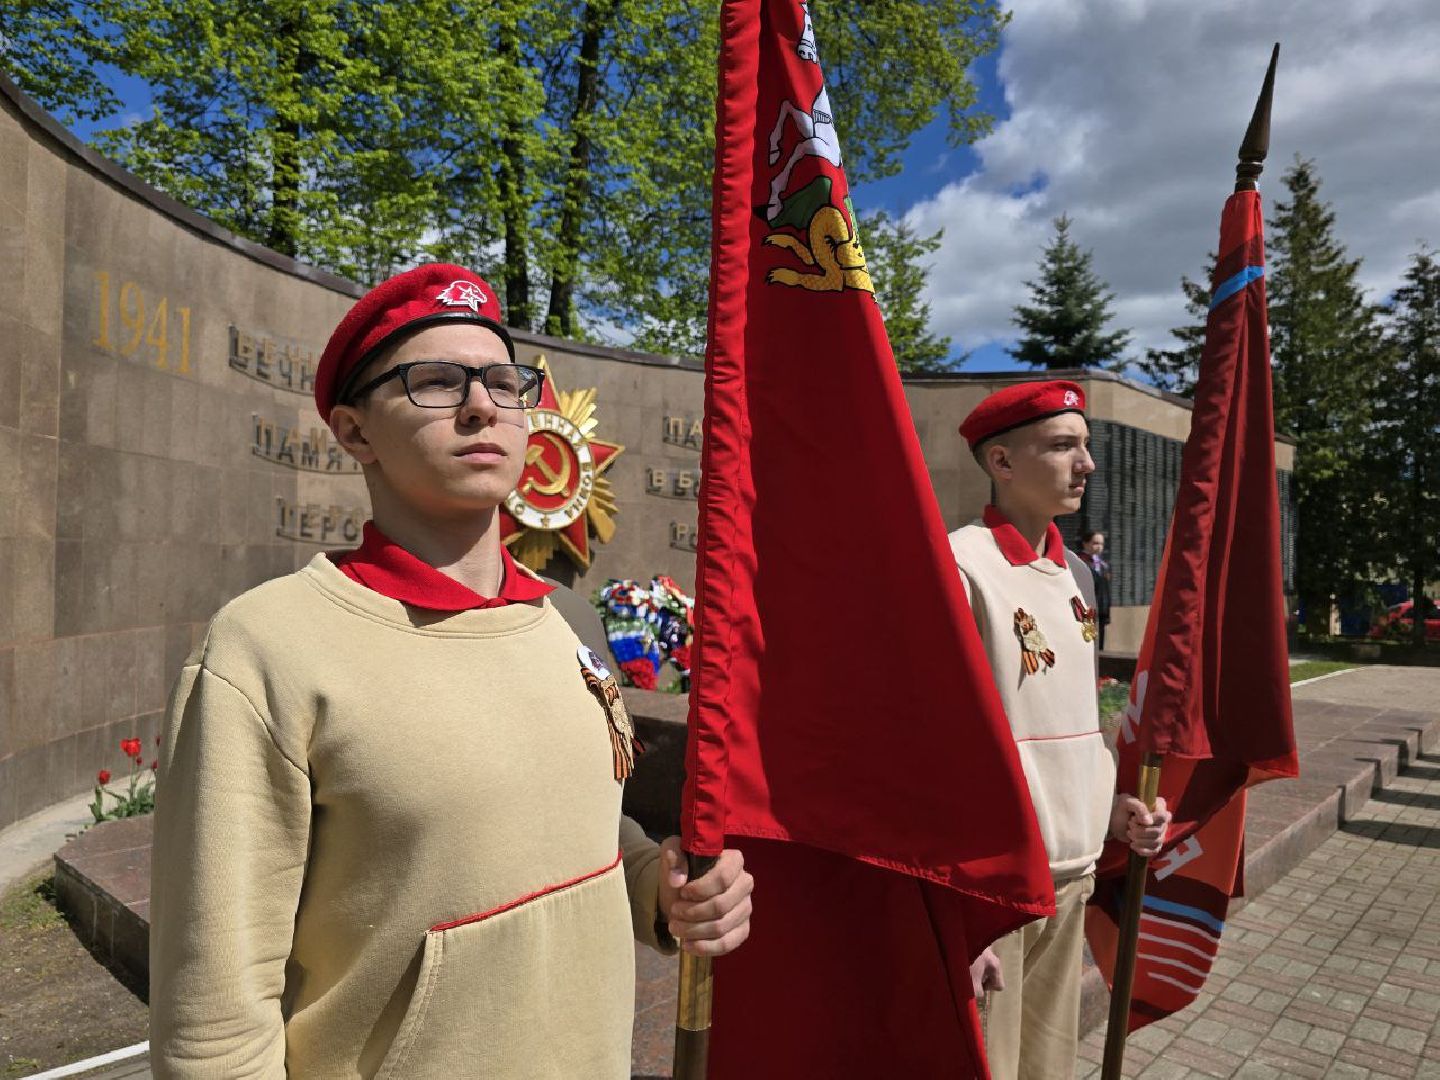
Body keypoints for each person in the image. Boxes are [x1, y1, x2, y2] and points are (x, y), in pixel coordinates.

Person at [149, 264, 754, 1078]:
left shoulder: (567, 622)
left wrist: (659, 888)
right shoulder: (266, 648)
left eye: (506, 383)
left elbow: (580, 828)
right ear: (354, 431)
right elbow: (215, 1019)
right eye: (434, 381)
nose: (482, 405)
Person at [948, 381, 1171, 1080]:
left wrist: (1110, 810)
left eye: (1086, 445)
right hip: (995, 887)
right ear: (1002, 462)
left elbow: (1072, 719)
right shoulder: (960, 566)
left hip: (1071, 876)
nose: (1088, 463)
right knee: (987, 1065)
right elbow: (941, 746)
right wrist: (954, 908)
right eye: (1063, 446)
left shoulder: (1075, 571)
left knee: (1046, 1067)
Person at [1081, 530, 1112, 651]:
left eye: (1102, 544)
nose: (1099, 547)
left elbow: (1106, 591)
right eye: (1095, 543)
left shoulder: (1103, 565)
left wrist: (1107, 611)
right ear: (1085, 543)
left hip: (1102, 611)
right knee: (1088, 644)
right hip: (1087, 610)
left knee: (1100, 647)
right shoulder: (1080, 562)